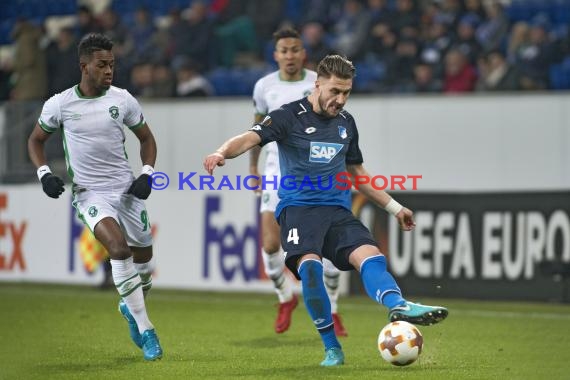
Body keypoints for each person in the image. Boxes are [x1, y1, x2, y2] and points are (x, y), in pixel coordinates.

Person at [204, 54, 448, 366]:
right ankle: (332, 347)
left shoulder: (346, 123)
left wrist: (395, 207)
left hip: (336, 210)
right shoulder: (289, 116)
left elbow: (359, 175)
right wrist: (222, 152)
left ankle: (397, 304)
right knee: (310, 268)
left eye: (346, 92)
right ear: (317, 84)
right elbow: (251, 137)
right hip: (298, 211)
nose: (341, 99)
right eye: (334, 91)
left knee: (370, 256)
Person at [27, 33, 163, 361]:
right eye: (101, 65)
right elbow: (35, 140)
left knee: (144, 267)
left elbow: (147, 139)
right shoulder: (60, 104)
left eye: (112, 65)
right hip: (90, 194)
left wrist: (146, 173)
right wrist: (44, 173)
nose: (108, 71)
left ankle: (130, 307)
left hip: (127, 191)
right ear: (84, 66)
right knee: (118, 249)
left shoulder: (123, 99)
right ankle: (147, 332)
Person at [249, 28, 347, 336]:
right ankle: (284, 297)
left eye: (295, 49)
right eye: (284, 50)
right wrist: (253, 166)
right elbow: (256, 128)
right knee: (268, 243)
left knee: (328, 246)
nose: (289, 55)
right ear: (275, 54)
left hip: (319, 173)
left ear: (303, 53)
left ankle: (332, 309)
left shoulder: (316, 82)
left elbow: (335, 122)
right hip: (277, 171)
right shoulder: (264, 86)